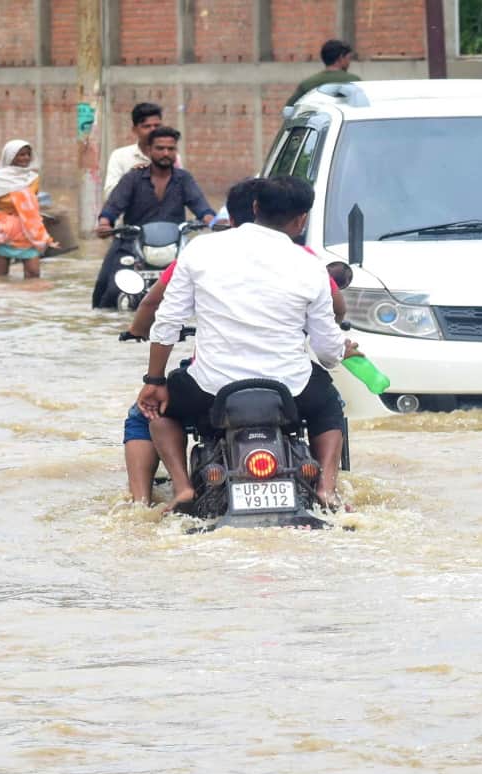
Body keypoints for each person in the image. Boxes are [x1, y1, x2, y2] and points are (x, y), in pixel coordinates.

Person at [138, 177, 351, 511]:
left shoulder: (201, 249)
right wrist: (342, 350)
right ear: (302, 219)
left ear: (255, 207)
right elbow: (327, 351)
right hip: (290, 391)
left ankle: (181, 488)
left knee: (156, 410)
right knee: (329, 406)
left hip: (210, 389)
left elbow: (167, 321)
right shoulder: (311, 265)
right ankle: (326, 489)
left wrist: (154, 380)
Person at [92, 127, 213, 309]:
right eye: (160, 148)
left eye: (171, 149)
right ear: (149, 150)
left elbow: (202, 207)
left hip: (175, 245)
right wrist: (104, 224)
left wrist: (213, 221)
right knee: (108, 286)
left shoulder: (184, 179)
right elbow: (112, 207)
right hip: (132, 243)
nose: (166, 153)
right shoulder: (132, 178)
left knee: (206, 281)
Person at [0, 140, 53, 280]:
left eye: (28, 154)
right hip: (2, 231)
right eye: (21, 155)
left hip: (27, 231)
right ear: (10, 156)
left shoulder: (33, 178)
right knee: (0, 276)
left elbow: (31, 205)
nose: (26, 158)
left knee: (34, 274)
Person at [104, 102, 177, 196]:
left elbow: (179, 190)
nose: (153, 130)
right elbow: (110, 194)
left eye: (157, 126)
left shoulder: (170, 155)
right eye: (147, 126)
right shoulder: (120, 156)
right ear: (135, 130)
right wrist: (133, 176)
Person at [286, 40, 360, 106]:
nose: (349, 62)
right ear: (341, 58)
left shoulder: (307, 84)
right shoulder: (354, 81)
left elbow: (289, 108)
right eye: (349, 58)